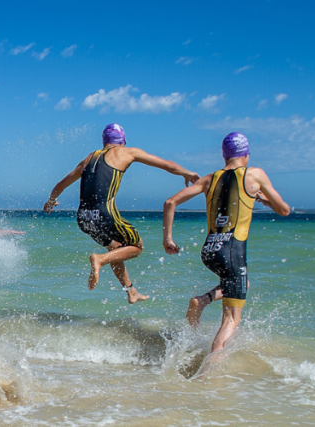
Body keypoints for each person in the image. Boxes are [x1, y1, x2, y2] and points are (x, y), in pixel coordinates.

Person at [162, 132, 290, 354]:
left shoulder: (209, 179)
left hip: (210, 251)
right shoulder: (255, 174)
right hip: (232, 251)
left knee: (242, 284)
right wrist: (260, 198)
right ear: (246, 154)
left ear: (224, 155)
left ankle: (203, 300)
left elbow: (170, 202)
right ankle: (206, 377)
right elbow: (284, 210)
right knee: (231, 320)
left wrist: (168, 238)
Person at [43, 123, 199, 304]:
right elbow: (167, 165)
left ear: (104, 142)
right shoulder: (127, 152)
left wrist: (51, 201)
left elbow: (60, 184)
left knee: (116, 249)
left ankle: (130, 291)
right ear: (123, 140)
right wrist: (187, 174)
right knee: (137, 246)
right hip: (105, 214)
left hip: (84, 218)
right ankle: (100, 260)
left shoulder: (88, 159)